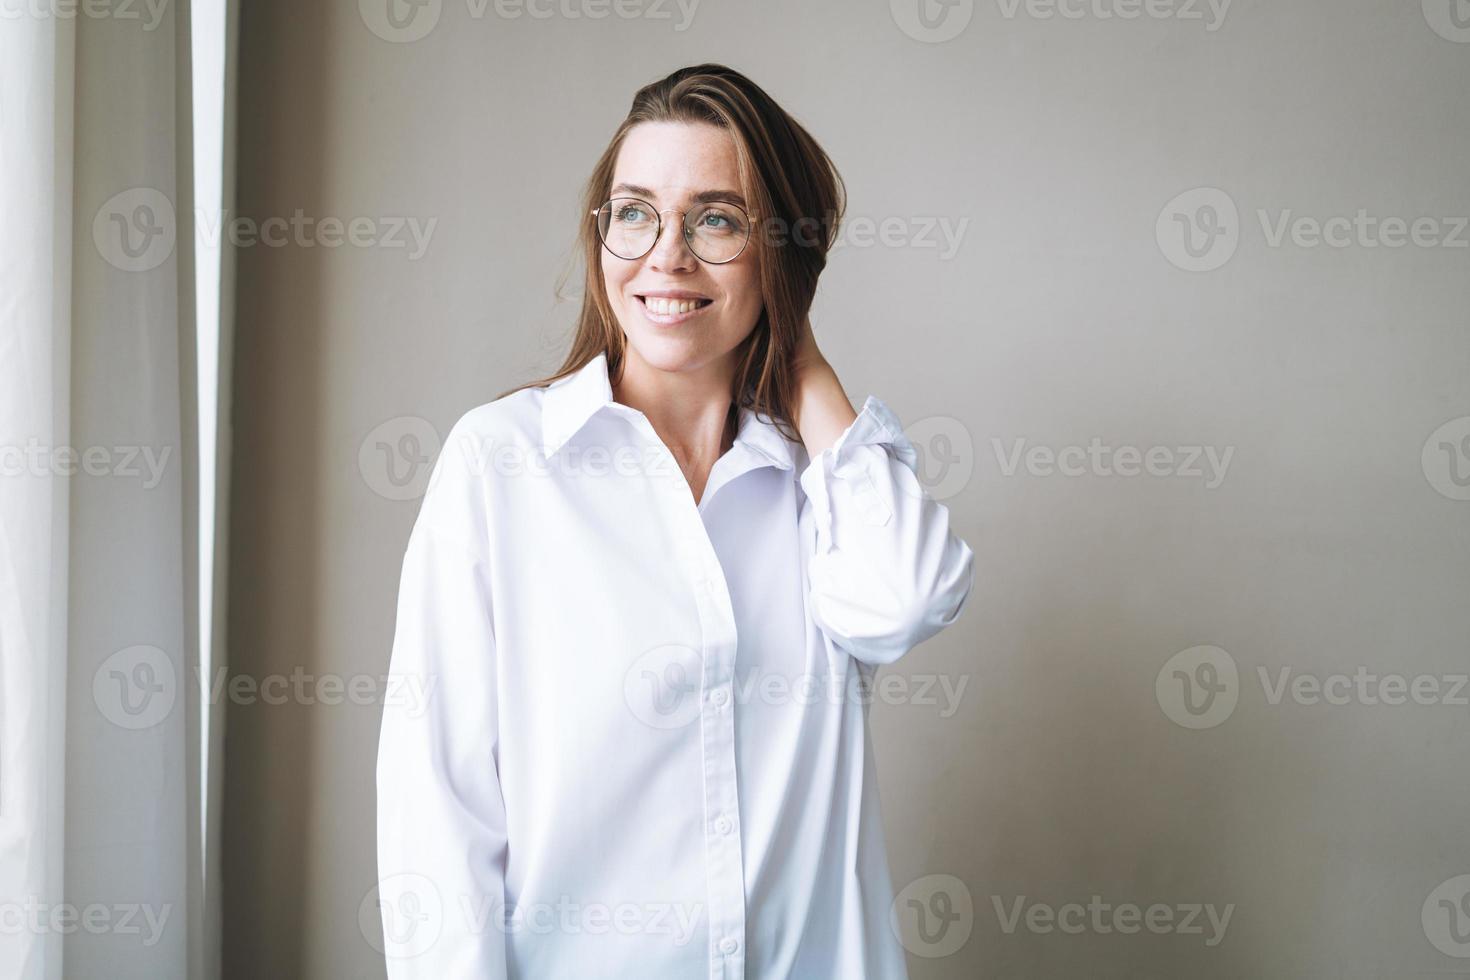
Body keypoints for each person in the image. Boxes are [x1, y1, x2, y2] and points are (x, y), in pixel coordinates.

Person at [375, 62, 975, 979]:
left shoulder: (820, 487)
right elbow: (439, 816)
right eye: (634, 211)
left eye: (718, 219)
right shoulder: (502, 465)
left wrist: (801, 350)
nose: (667, 254)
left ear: (781, 251)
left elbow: (906, 597)